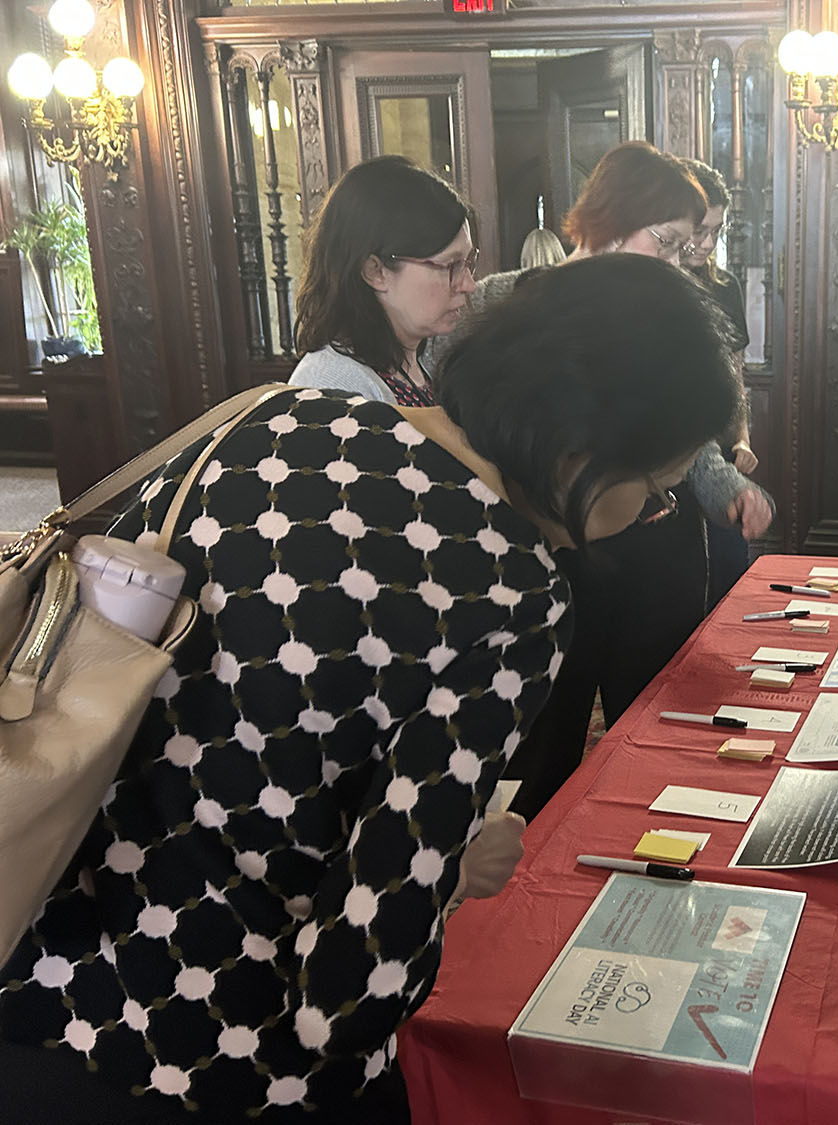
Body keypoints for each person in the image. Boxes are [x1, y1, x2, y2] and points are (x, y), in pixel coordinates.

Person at [0, 254, 740, 1123]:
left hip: (34, 966)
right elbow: (346, 994)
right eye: (652, 492)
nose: (646, 518)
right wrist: (452, 873)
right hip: (219, 1062)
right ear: (582, 448)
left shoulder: (274, 416)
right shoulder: (509, 588)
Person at [439, 141, 773, 822]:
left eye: (694, 243)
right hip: (546, 564)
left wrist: (720, 484)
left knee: (655, 715)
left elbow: (678, 440)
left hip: (648, 556)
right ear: (612, 219)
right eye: (672, 241)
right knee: (541, 745)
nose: (684, 262)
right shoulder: (506, 303)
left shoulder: (668, 310)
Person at [288, 154, 479, 406]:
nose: (468, 285)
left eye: (468, 263)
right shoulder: (335, 389)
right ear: (374, 271)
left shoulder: (417, 364)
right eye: (450, 265)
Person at [681, 158, 758, 605]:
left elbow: (736, 373)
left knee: (731, 568)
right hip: (674, 453)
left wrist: (744, 438)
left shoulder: (725, 286)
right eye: (699, 231)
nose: (707, 243)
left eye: (717, 231)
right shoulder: (654, 288)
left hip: (723, 443)